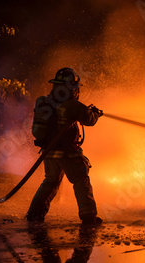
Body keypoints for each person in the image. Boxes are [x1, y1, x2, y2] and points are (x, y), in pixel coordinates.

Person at [26, 67, 103, 225]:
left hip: (49, 152)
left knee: (50, 181)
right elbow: (89, 120)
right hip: (68, 152)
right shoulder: (72, 105)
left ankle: (34, 214)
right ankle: (89, 217)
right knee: (81, 180)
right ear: (71, 87)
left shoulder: (45, 102)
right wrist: (95, 113)